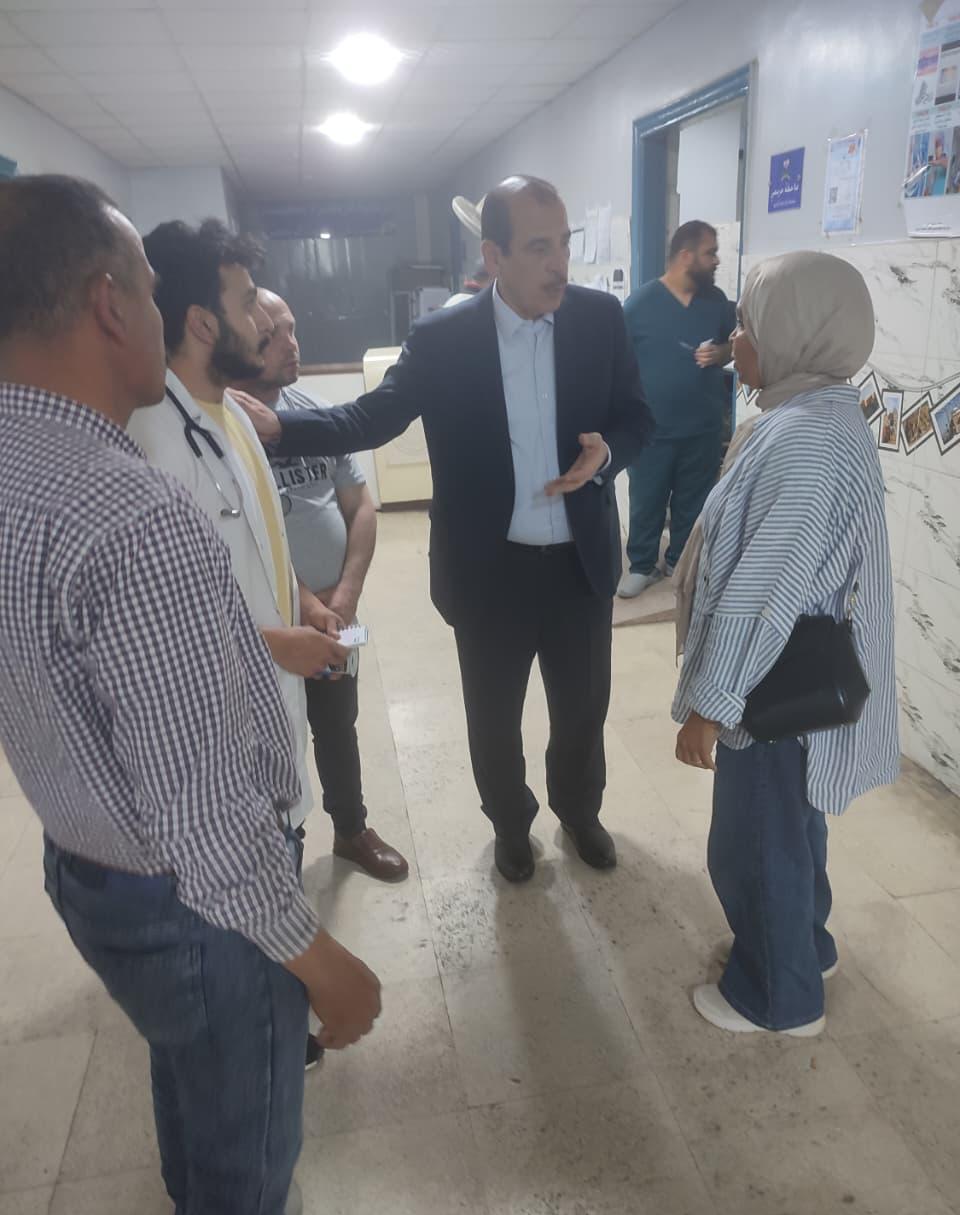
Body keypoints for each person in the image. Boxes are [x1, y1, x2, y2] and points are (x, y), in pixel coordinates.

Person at [0, 176, 380, 1215]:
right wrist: (319, 961)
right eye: (147, 286)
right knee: (247, 1171)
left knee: (186, 1070)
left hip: (86, 860)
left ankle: (191, 1206)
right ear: (109, 303)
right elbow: (206, 813)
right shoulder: (128, 507)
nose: (162, 310)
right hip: (193, 909)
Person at [233, 176, 654, 884]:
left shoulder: (598, 318)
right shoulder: (445, 339)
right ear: (494, 256)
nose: (560, 265)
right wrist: (282, 428)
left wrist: (606, 453)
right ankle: (511, 826)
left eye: (565, 245)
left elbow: (638, 417)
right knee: (493, 719)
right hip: (489, 570)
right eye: (540, 248)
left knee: (583, 711)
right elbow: (370, 417)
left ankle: (580, 812)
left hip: (579, 566)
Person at [127, 220, 354, 1075]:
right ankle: (264, 1038)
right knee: (238, 911)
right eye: (248, 302)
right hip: (217, 736)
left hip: (270, 708)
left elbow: (260, 543)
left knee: (276, 870)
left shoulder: (229, 418)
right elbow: (150, 620)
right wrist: (273, 646)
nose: (264, 320)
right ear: (200, 322)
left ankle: (278, 1015)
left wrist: (305, 602)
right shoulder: (152, 442)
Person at [673, 250, 899, 1037]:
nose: (735, 340)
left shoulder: (804, 441)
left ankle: (779, 997)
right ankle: (808, 947)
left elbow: (761, 595)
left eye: (748, 325)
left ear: (797, 334)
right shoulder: (821, 413)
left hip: (765, 693)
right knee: (795, 828)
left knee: (753, 844)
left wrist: (709, 706)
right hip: (790, 688)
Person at [233, 289, 408, 884]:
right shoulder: (225, 429)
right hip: (271, 619)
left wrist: (345, 597)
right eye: (274, 335)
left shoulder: (312, 414)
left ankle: (352, 830)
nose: (292, 344)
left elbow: (360, 506)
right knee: (271, 733)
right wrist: (305, 602)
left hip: (337, 613)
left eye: (293, 328)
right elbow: (249, 532)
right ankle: (279, 847)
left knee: (338, 722)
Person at [618, 220, 737, 597]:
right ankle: (641, 565)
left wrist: (721, 353)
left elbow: (735, 345)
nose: (716, 260)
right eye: (710, 253)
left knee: (693, 501)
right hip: (652, 429)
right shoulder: (639, 305)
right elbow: (617, 362)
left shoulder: (716, 303)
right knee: (646, 499)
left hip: (703, 427)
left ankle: (679, 562)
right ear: (686, 256)